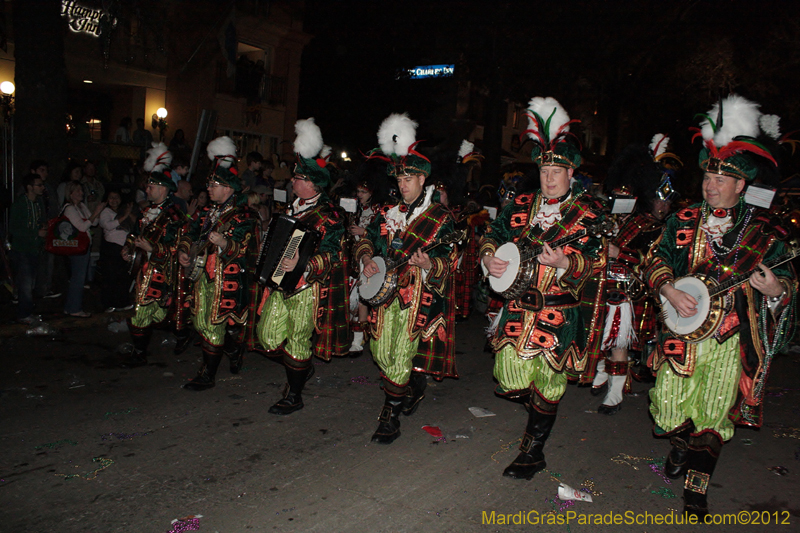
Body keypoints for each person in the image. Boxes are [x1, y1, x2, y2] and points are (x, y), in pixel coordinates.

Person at [644, 95, 797, 518]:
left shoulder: (764, 232)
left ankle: (697, 487)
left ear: (741, 185)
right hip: (682, 332)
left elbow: (786, 283)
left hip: (732, 336)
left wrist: (775, 288)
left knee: (713, 416)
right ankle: (680, 443)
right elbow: (655, 259)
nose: (711, 184)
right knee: (670, 408)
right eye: (708, 175)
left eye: (721, 178)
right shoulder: (683, 219)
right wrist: (669, 288)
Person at [480, 97, 606, 479]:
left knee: (549, 382)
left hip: (559, 310)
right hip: (518, 307)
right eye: (545, 169)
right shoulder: (520, 204)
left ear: (572, 174)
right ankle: (538, 414)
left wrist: (567, 262)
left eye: (557, 170)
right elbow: (493, 235)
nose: (549, 177)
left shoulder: (589, 214)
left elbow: (598, 261)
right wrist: (489, 258)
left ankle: (532, 451)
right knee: (509, 375)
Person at [356, 113, 458, 444]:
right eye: (400, 180)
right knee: (380, 352)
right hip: (384, 295)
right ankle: (412, 384)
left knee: (399, 355)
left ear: (423, 180)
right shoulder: (387, 211)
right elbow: (367, 239)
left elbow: (450, 255)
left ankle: (390, 416)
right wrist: (366, 257)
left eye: (409, 180)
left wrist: (431, 263)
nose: (403, 185)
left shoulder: (440, 217)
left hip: (416, 298)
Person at [256, 118, 350, 414]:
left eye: (297, 178)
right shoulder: (290, 209)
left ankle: (294, 395)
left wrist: (305, 263)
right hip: (279, 283)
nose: (291, 182)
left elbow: (334, 254)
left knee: (297, 339)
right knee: (267, 338)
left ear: (311, 183)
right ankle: (301, 367)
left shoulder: (331, 215)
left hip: (307, 288)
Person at [582, 135, 679, 414]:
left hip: (629, 292)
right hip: (602, 284)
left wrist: (619, 254)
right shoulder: (612, 220)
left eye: (667, 202)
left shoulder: (656, 228)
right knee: (600, 337)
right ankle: (603, 370)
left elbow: (651, 263)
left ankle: (615, 392)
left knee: (618, 340)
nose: (663, 207)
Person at [178, 136, 258, 390]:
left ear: (229, 187)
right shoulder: (204, 212)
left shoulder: (245, 215)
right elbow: (188, 234)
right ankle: (233, 350)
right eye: (210, 184)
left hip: (228, 279)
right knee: (201, 323)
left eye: (214, 184)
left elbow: (248, 249)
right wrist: (184, 250)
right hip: (202, 276)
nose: (209, 189)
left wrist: (225, 243)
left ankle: (207, 374)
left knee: (213, 324)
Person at [122, 145, 189, 367]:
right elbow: (134, 235)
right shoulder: (144, 213)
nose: (147, 190)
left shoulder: (175, 216)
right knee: (140, 310)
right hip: (143, 271)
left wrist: (153, 249)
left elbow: (178, 246)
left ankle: (182, 334)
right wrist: (128, 247)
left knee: (165, 314)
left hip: (164, 272)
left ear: (163, 188)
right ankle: (139, 352)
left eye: (150, 186)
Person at [62, 181, 105, 317]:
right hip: (76, 247)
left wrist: (97, 212)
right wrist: (96, 212)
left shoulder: (81, 206)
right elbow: (82, 227)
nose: (81, 193)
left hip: (84, 245)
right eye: (77, 191)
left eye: (81, 190)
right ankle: (75, 308)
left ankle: (70, 307)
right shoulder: (69, 208)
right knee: (78, 278)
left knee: (78, 277)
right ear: (70, 194)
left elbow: (94, 222)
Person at [8, 174, 46, 323]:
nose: (42, 187)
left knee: (31, 283)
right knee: (25, 283)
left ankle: (28, 311)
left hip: (34, 249)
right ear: (30, 187)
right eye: (39, 185)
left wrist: (42, 227)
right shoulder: (19, 204)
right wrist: (35, 232)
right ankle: (24, 314)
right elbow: (13, 228)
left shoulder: (38, 203)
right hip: (22, 249)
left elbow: (39, 221)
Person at [98, 190, 135, 313]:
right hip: (111, 247)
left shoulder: (124, 210)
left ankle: (122, 302)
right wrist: (124, 216)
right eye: (111, 197)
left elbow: (135, 224)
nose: (114, 200)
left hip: (124, 247)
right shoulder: (106, 212)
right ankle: (108, 303)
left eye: (117, 197)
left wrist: (128, 213)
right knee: (110, 277)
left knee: (123, 276)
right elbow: (107, 225)